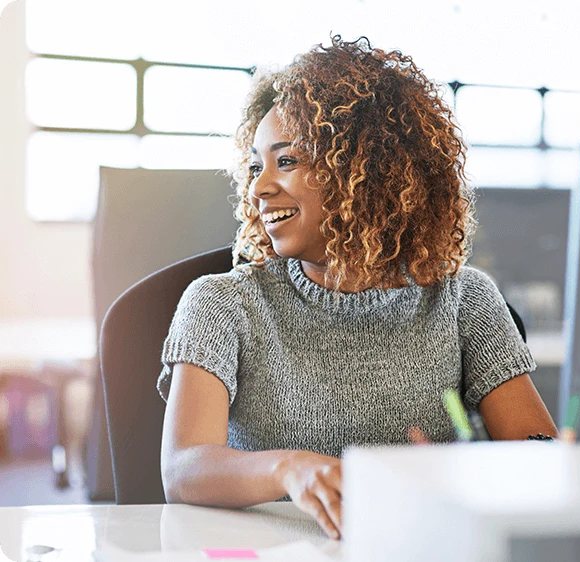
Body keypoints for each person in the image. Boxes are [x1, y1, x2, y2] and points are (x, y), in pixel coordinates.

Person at [157, 36, 558, 540]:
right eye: (256, 166)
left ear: (364, 170)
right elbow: (183, 470)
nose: (258, 187)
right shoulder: (222, 302)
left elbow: (537, 455)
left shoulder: (464, 300)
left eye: (287, 161)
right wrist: (289, 469)